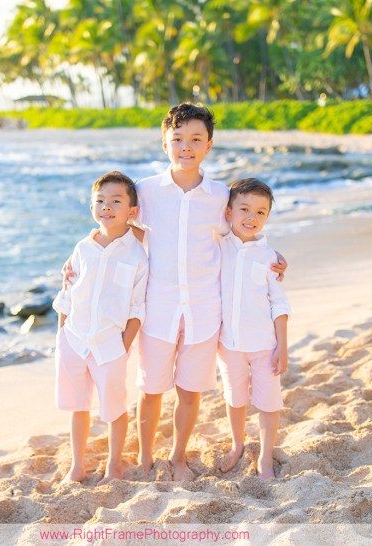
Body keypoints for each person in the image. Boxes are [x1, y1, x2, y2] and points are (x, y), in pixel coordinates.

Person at [132, 103, 288, 481]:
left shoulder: (221, 196)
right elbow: (121, 226)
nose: (186, 146)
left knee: (190, 390)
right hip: (158, 308)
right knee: (151, 389)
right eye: (178, 139)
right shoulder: (146, 191)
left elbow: (242, 231)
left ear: (209, 145)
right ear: (164, 142)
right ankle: (144, 457)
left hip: (204, 309)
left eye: (196, 139)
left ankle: (179, 457)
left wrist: (274, 258)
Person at [52, 171, 149, 484]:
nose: (107, 206)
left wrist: (124, 346)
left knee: (114, 409)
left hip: (110, 345)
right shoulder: (82, 248)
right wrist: (61, 333)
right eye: (100, 201)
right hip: (74, 339)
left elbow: (136, 308)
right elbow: (68, 293)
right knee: (78, 406)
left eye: (116, 201)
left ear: (131, 211)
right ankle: (77, 466)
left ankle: (114, 465)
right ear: (92, 207)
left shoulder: (136, 255)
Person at [216, 178, 290, 480]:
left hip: (264, 345)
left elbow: (279, 304)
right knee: (235, 398)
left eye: (261, 212)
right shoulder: (218, 247)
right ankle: (237, 445)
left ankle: (265, 456)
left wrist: (282, 347)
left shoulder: (270, 258)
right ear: (228, 212)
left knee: (268, 402)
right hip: (228, 344)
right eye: (244, 209)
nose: (252, 218)